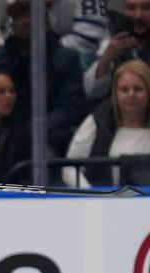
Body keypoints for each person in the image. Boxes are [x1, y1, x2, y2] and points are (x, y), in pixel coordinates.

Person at [0, 0, 86, 155]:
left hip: (49, 134)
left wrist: (33, 129)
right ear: (13, 24)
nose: (27, 21)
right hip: (8, 131)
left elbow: (69, 108)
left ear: (46, 23)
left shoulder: (66, 58)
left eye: (33, 15)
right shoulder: (0, 58)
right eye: (21, 16)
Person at [63, 59, 150, 187]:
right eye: (124, 90)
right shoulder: (98, 121)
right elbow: (69, 168)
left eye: (137, 89)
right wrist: (92, 196)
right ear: (115, 93)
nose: (131, 95)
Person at [84, 0, 150, 102]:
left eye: (146, 8)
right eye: (131, 8)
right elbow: (93, 91)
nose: (138, 16)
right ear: (122, 11)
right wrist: (108, 56)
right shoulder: (111, 39)